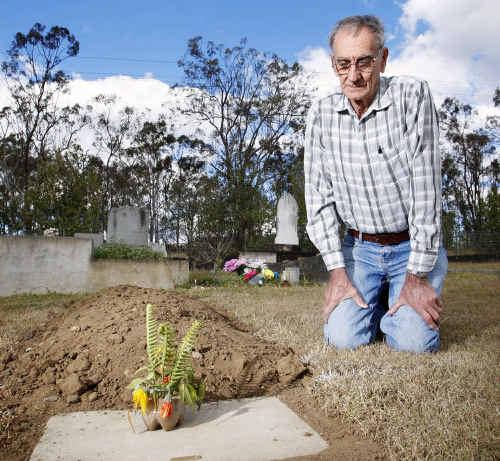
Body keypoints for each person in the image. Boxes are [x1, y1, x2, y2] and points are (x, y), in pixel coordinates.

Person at [304, 15, 448, 353]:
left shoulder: (412, 96)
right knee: (343, 338)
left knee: (415, 344)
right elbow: (318, 199)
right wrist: (338, 272)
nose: (353, 75)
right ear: (333, 65)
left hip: (410, 247)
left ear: (382, 59)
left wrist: (416, 278)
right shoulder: (321, 114)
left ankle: (396, 296)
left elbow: (427, 192)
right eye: (343, 64)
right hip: (360, 250)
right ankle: (378, 303)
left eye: (364, 62)